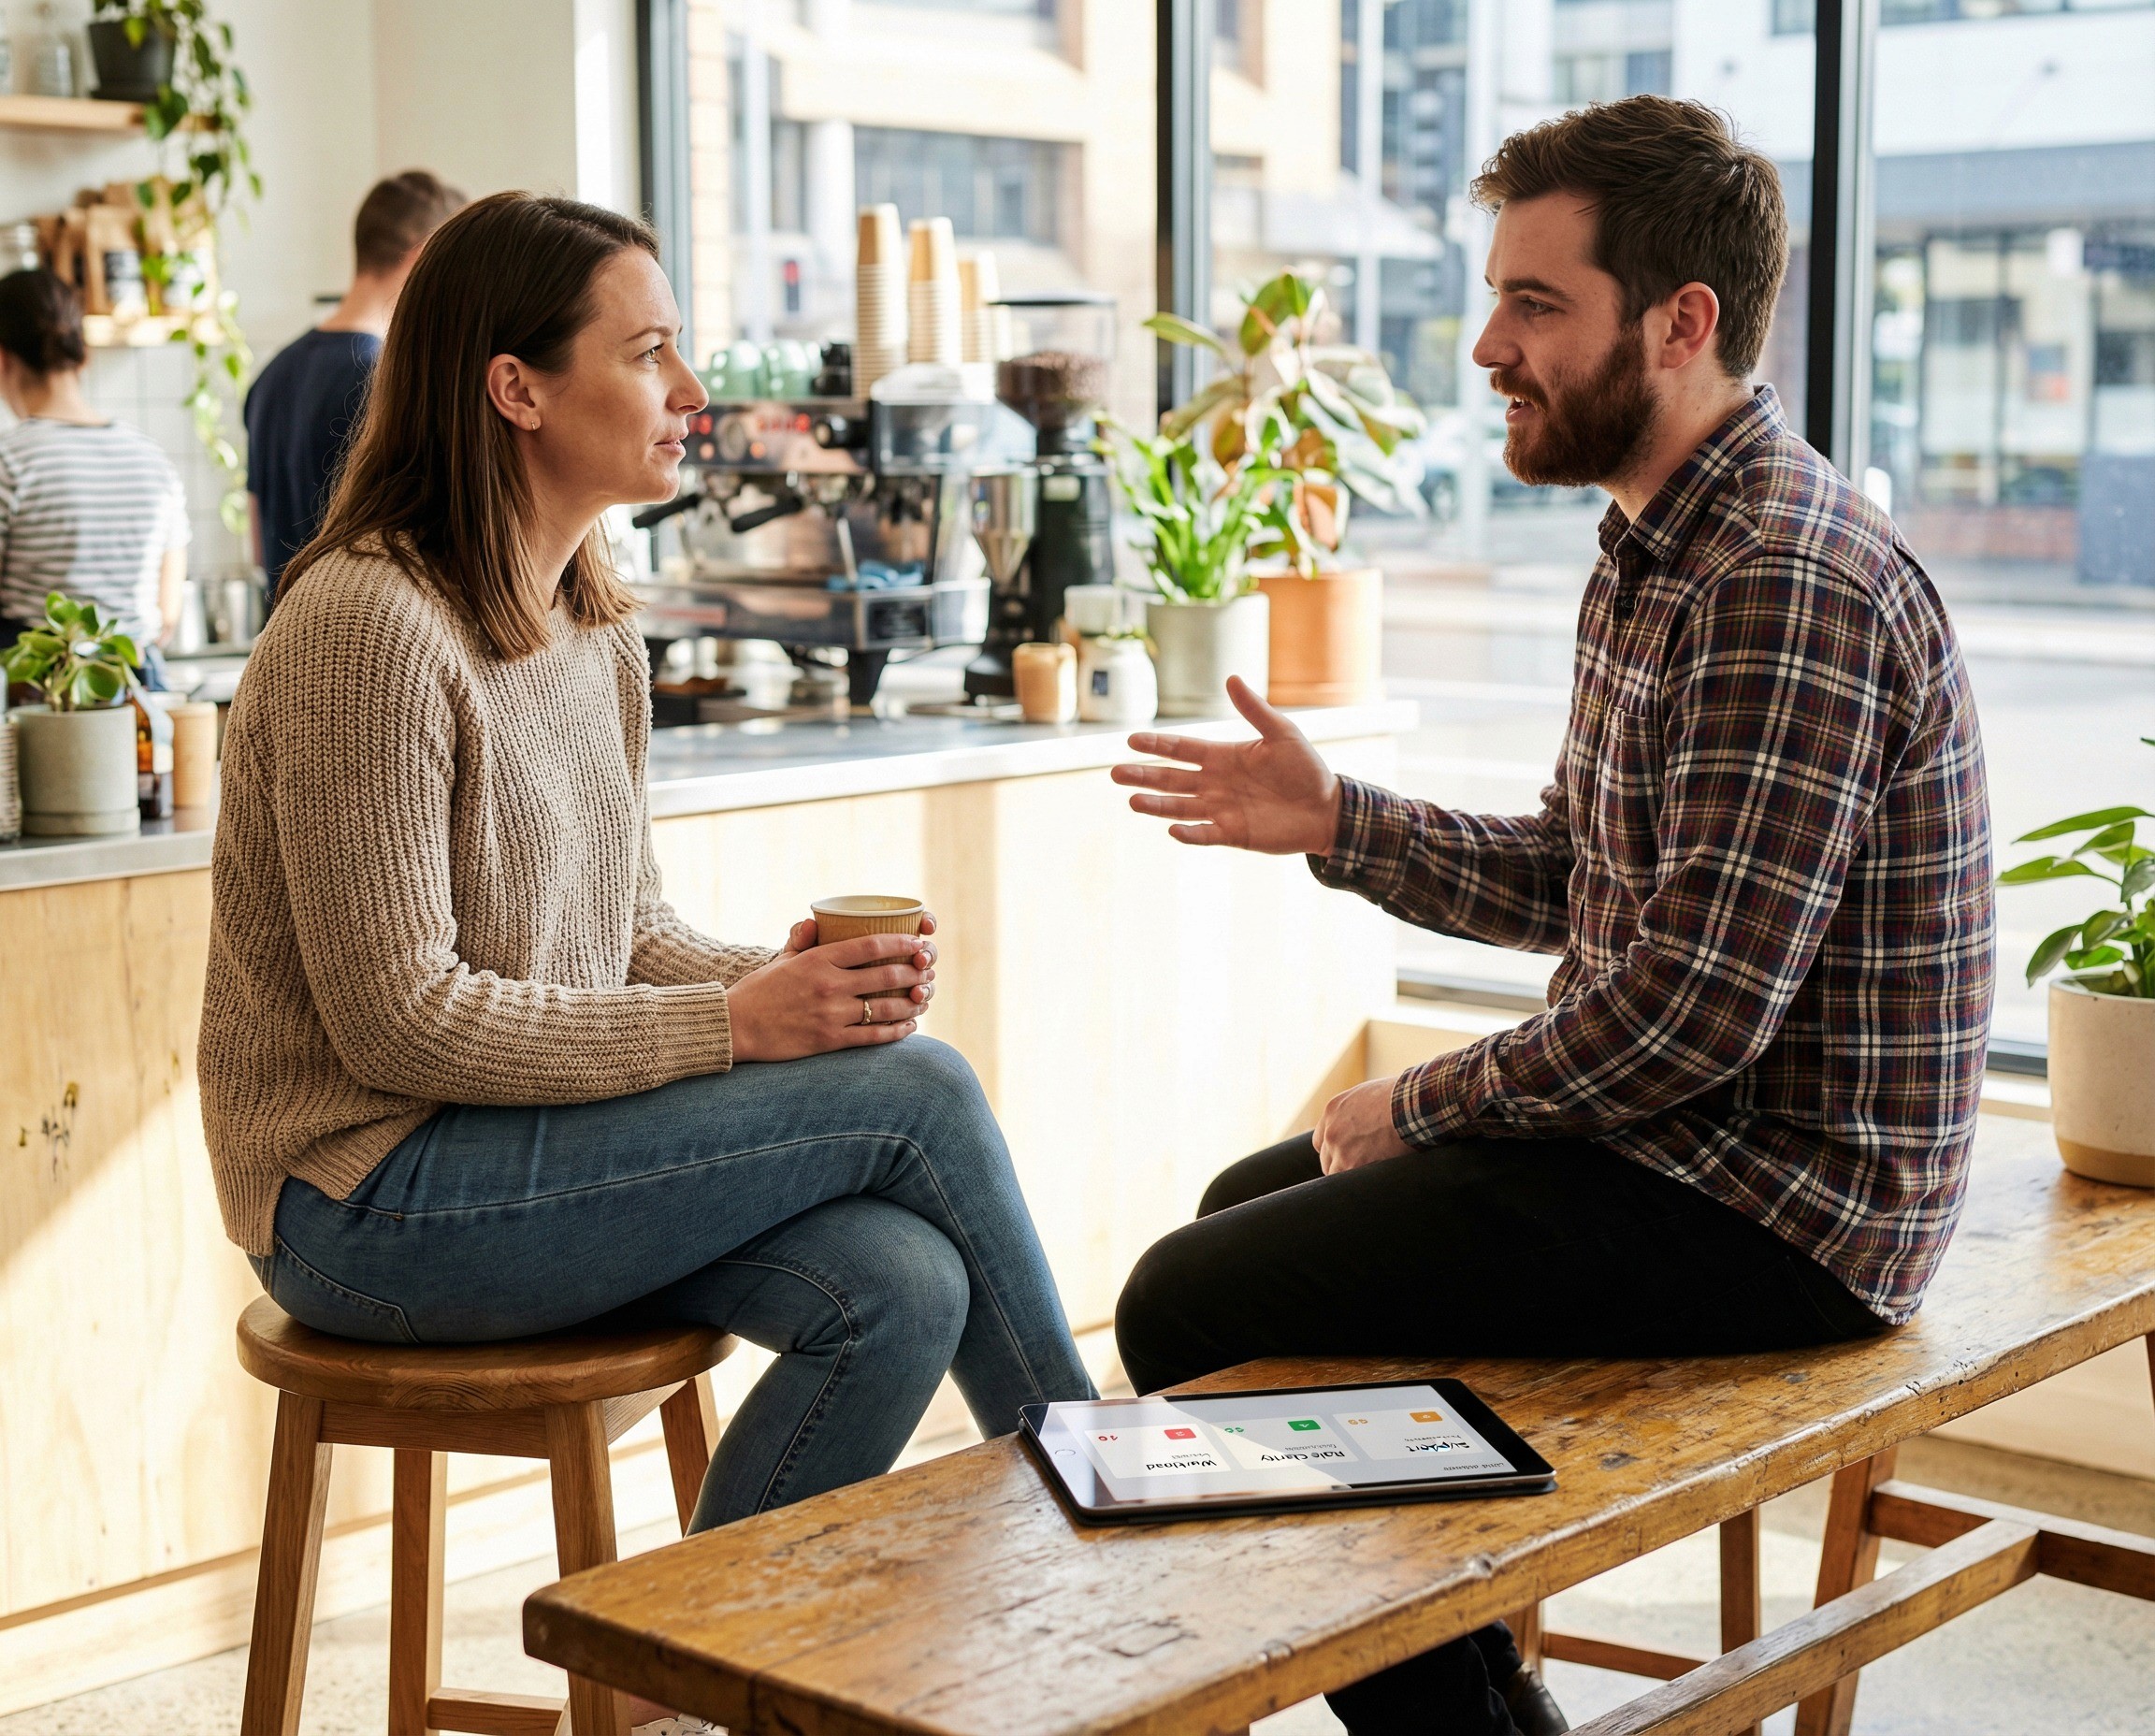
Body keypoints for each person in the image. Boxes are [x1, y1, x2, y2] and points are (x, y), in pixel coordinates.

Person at [1110, 96, 1993, 1736]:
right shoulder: (1654, 540)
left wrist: (1416, 1102)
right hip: (1688, 1147)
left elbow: (1682, 1014)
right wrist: (1337, 822)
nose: (1481, 347)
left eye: (1533, 304)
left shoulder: (1772, 577)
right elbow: (1577, 878)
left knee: (1189, 1299)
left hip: (1783, 1207)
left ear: (1679, 324)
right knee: (1249, 1215)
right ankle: (1460, 1652)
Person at [197, 193, 1094, 1651]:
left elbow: (626, 933)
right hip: (362, 1201)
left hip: (514, 1160)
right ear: (519, 389)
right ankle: (1112, 1501)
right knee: (918, 1093)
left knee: (900, 1282)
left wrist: (785, 981)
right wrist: (738, 1025)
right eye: (653, 353)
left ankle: (677, 1684)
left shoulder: (594, 626)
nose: (693, 394)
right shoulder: (369, 626)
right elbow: (398, 1017)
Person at [244, 169, 467, 601]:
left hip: (284, 633)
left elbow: (258, 545)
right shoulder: (393, 381)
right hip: (361, 639)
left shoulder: (272, 376)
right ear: (424, 257)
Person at [0, 268, 189, 685]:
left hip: (39, 697)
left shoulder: (9, 462)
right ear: (82, 356)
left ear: (3, 359)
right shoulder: (153, 460)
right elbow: (167, 615)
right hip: (137, 687)